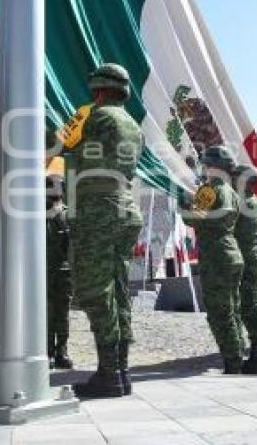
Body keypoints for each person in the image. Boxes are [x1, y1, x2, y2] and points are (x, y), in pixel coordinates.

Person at [62, 63, 144, 398]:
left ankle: (109, 374)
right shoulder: (132, 124)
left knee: (96, 290)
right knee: (119, 288)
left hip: (98, 206)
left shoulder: (96, 116)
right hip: (124, 206)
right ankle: (121, 371)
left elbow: (70, 150)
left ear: (98, 89)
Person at [180, 146, 244, 374]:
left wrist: (183, 203)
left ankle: (233, 360)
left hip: (216, 255)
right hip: (231, 252)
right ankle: (238, 352)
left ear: (212, 166)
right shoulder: (232, 191)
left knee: (220, 311)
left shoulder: (209, 190)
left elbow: (194, 219)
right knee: (232, 308)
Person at [231, 163, 257, 374]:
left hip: (246, 259)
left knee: (249, 306)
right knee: (256, 304)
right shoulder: (254, 201)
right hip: (255, 257)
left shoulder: (241, 201)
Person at [46, 174, 73, 370]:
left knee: (62, 313)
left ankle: (61, 350)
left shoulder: (68, 215)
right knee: (45, 313)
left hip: (64, 271)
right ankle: (46, 351)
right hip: (42, 272)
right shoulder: (37, 214)